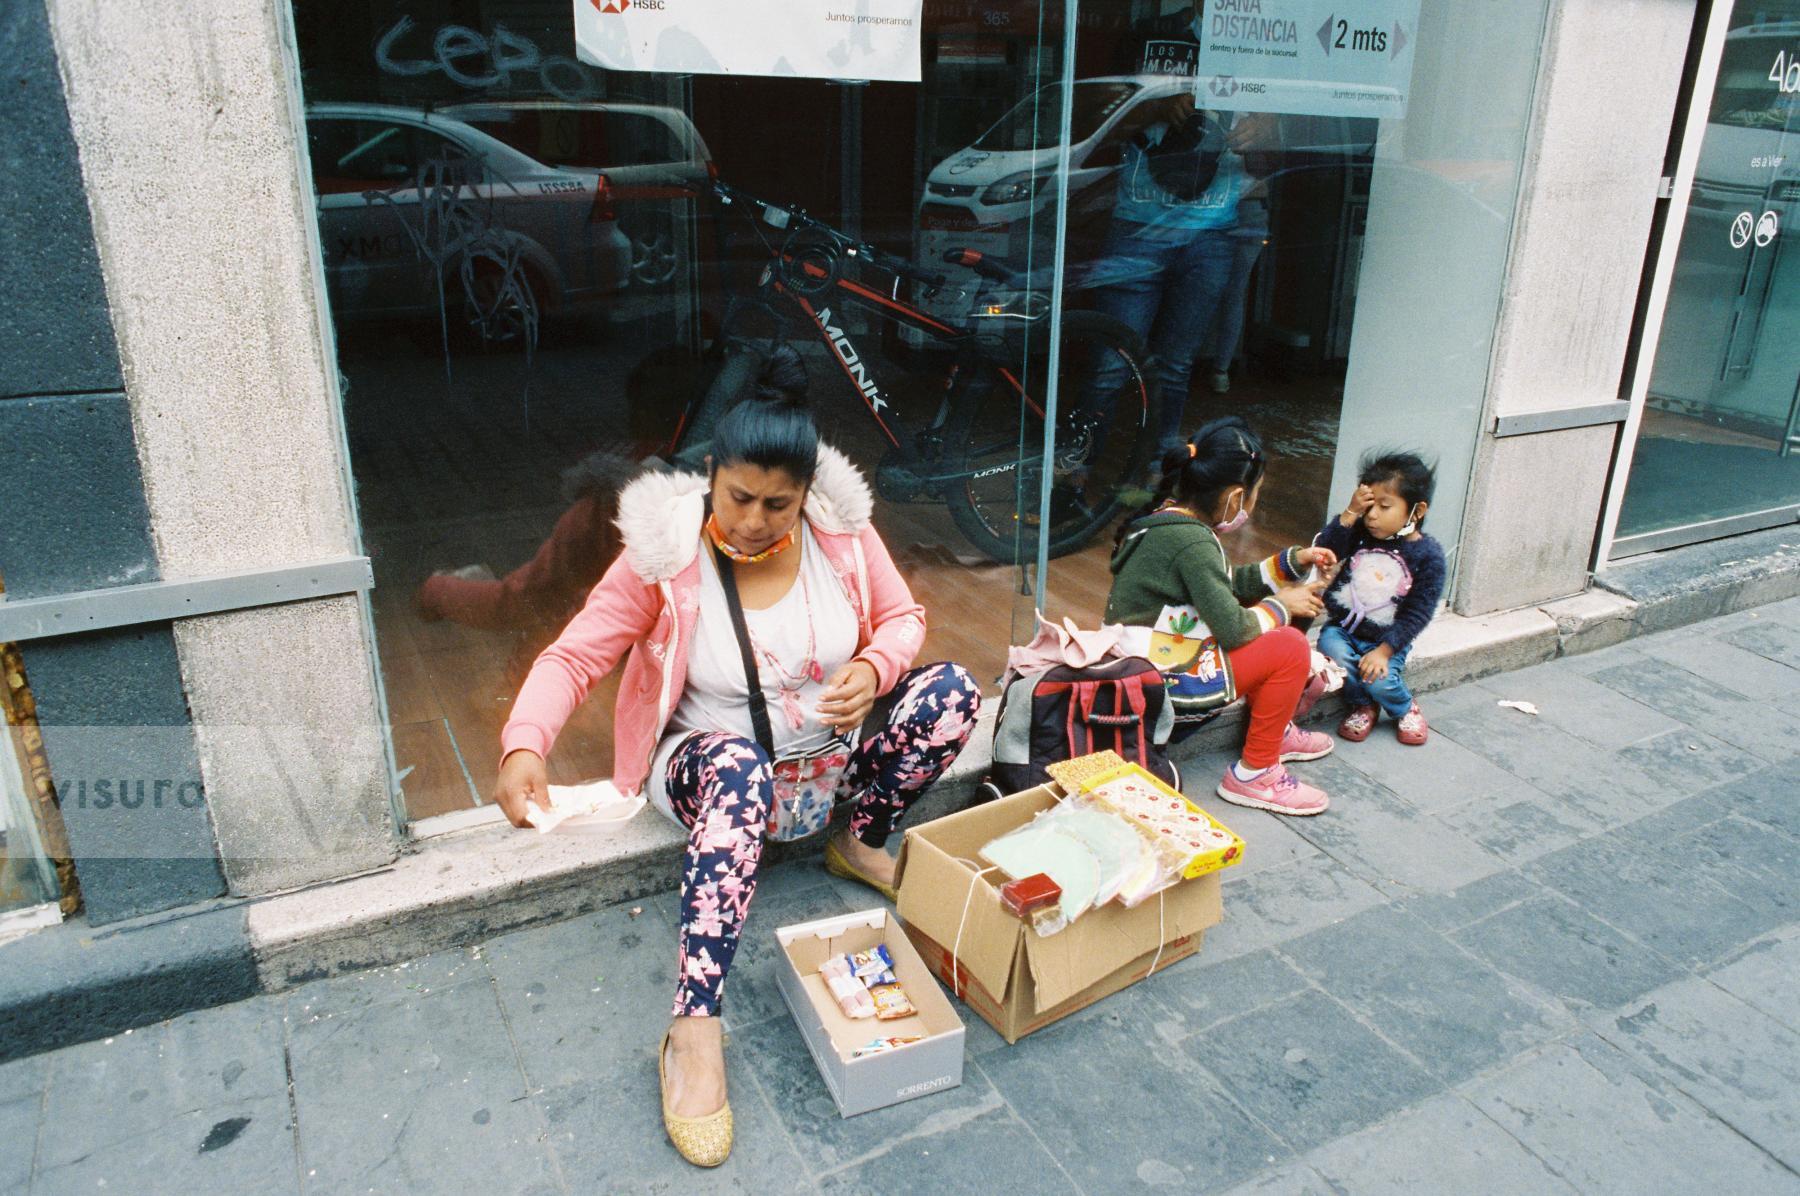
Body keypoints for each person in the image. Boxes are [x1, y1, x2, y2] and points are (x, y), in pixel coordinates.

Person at [491, 396, 980, 1168]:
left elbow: (904, 618)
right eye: (739, 498)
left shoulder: (840, 533)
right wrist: (526, 743)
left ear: (807, 493)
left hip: (824, 760)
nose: (755, 520)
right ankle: (693, 1027)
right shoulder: (664, 554)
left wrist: (874, 666)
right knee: (739, 770)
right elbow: (574, 654)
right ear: (710, 478)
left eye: (777, 504)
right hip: (712, 765)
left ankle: (861, 840)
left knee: (951, 693)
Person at [1104, 416, 1339, 815]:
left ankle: (1274, 731)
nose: (1251, 504)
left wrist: (1291, 563)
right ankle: (1256, 773)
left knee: (1273, 625)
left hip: (1145, 666)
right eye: (1253, 495)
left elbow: (1225, 584)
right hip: (1164, 682)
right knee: (1289, 645)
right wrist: (1284, 604)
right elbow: (1234, 629)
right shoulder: (1192, 541)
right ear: (1234, 497)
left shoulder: (1171, 521)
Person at [1080, 1, 1278, 453]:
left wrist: (1267, 131)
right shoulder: (1149, 34)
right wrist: (1150, 106)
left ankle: (1154, 467)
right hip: (1139, 228)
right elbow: (1100, 121)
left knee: (1175, 365)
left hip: (1211, 233)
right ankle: (1077, 470)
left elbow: (1271, 157)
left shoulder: (1259, 49)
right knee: (1110, 362)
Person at [1313, 451, 1446, 746]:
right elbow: (1325, 550)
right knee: (1331, 652)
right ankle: (1363, 705)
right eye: (1369, 506)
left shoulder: (1429, 557)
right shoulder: (1359, 532)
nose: (1372, 515)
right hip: (1344, 629)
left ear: (1417, 510)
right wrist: (1349, 514)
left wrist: (1384, 652)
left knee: (1381, 679)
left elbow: (1418, 614)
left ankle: (1403, 707)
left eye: (1384, 507)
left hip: (1387, 638)